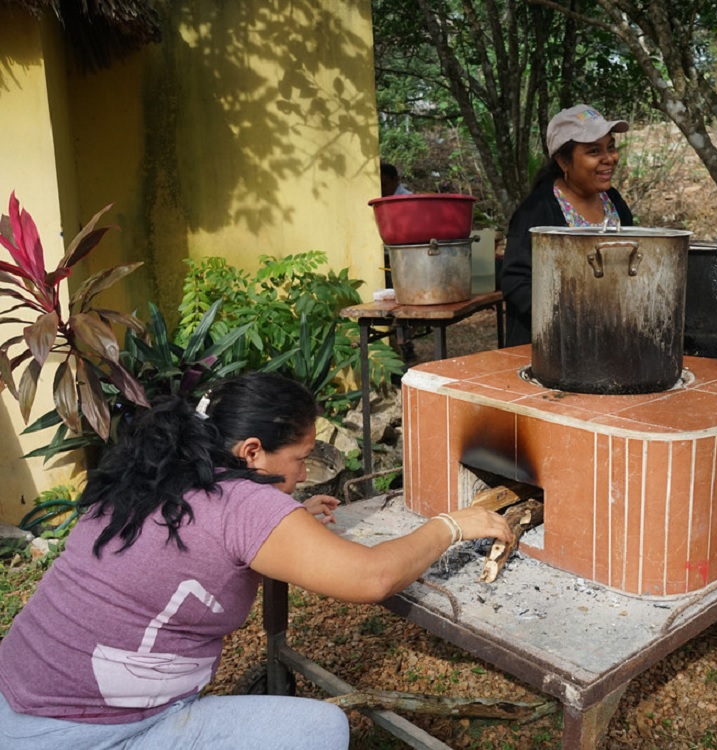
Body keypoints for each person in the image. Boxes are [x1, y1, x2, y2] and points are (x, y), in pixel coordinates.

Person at [0, 372, 512, 749]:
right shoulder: (242, 504)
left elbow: (206, 538)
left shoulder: (159, 471)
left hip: (16, 697)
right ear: (251, 451)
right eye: (299, 458)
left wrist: (285, 517)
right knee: (321, 731)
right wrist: (452, 525)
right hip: (82, 733)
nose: (304, 470)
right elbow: (373, 577)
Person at [500, 104, 634, 346]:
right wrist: (566, 319)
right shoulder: (537, 210)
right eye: (594, 151)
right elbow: (515, 280)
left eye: (610, 147)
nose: (609, 158)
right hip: (551, 345)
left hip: (607, 339)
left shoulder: (613, 201)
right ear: (563, 161)